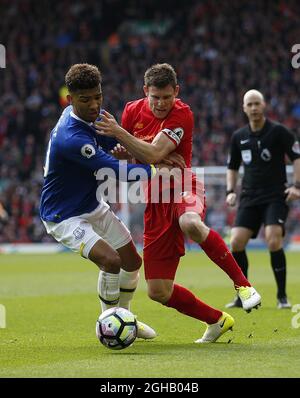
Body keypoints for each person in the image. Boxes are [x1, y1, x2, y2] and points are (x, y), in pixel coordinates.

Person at [94, 63, 261, 343]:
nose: (161, 104)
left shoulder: (182, 113)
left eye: (167, 97)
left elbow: (154, 151)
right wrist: (128, 154)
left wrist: (123, 135)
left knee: (190, 222)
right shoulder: (132, 111)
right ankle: (218, 320)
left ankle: (243, 285)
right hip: (155, 197)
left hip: (184, 184)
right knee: (158, 291)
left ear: (177, 93)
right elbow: (138, 160)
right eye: (155, 97)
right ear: (145, 91)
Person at [40, 63, 159, 339]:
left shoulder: (96, 117)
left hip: (91, 205)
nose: (94, 105)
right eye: (85, 100)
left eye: (98, 96)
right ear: (69, 100)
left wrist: (115, 147)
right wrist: (155, 168)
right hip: (64, 215)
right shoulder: (71, 138)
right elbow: (114, 171)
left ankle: (125, 318)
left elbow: (108, 149)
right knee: (110, 260)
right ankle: (108, 325)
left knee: (132, 261)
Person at [226, 89, 300, 309]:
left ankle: (282, 297)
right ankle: (243, 296)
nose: (254, 108)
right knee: (236, 242)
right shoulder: (238, 136)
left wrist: (297, 186)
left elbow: (297, 158)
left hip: (275, 196)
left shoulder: (279, 132)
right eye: (250, 104)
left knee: (273, 239)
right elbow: (232, 166)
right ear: (244, 108)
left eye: (257, 103)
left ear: (264, 105)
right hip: (249, 196)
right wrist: (231, 190)